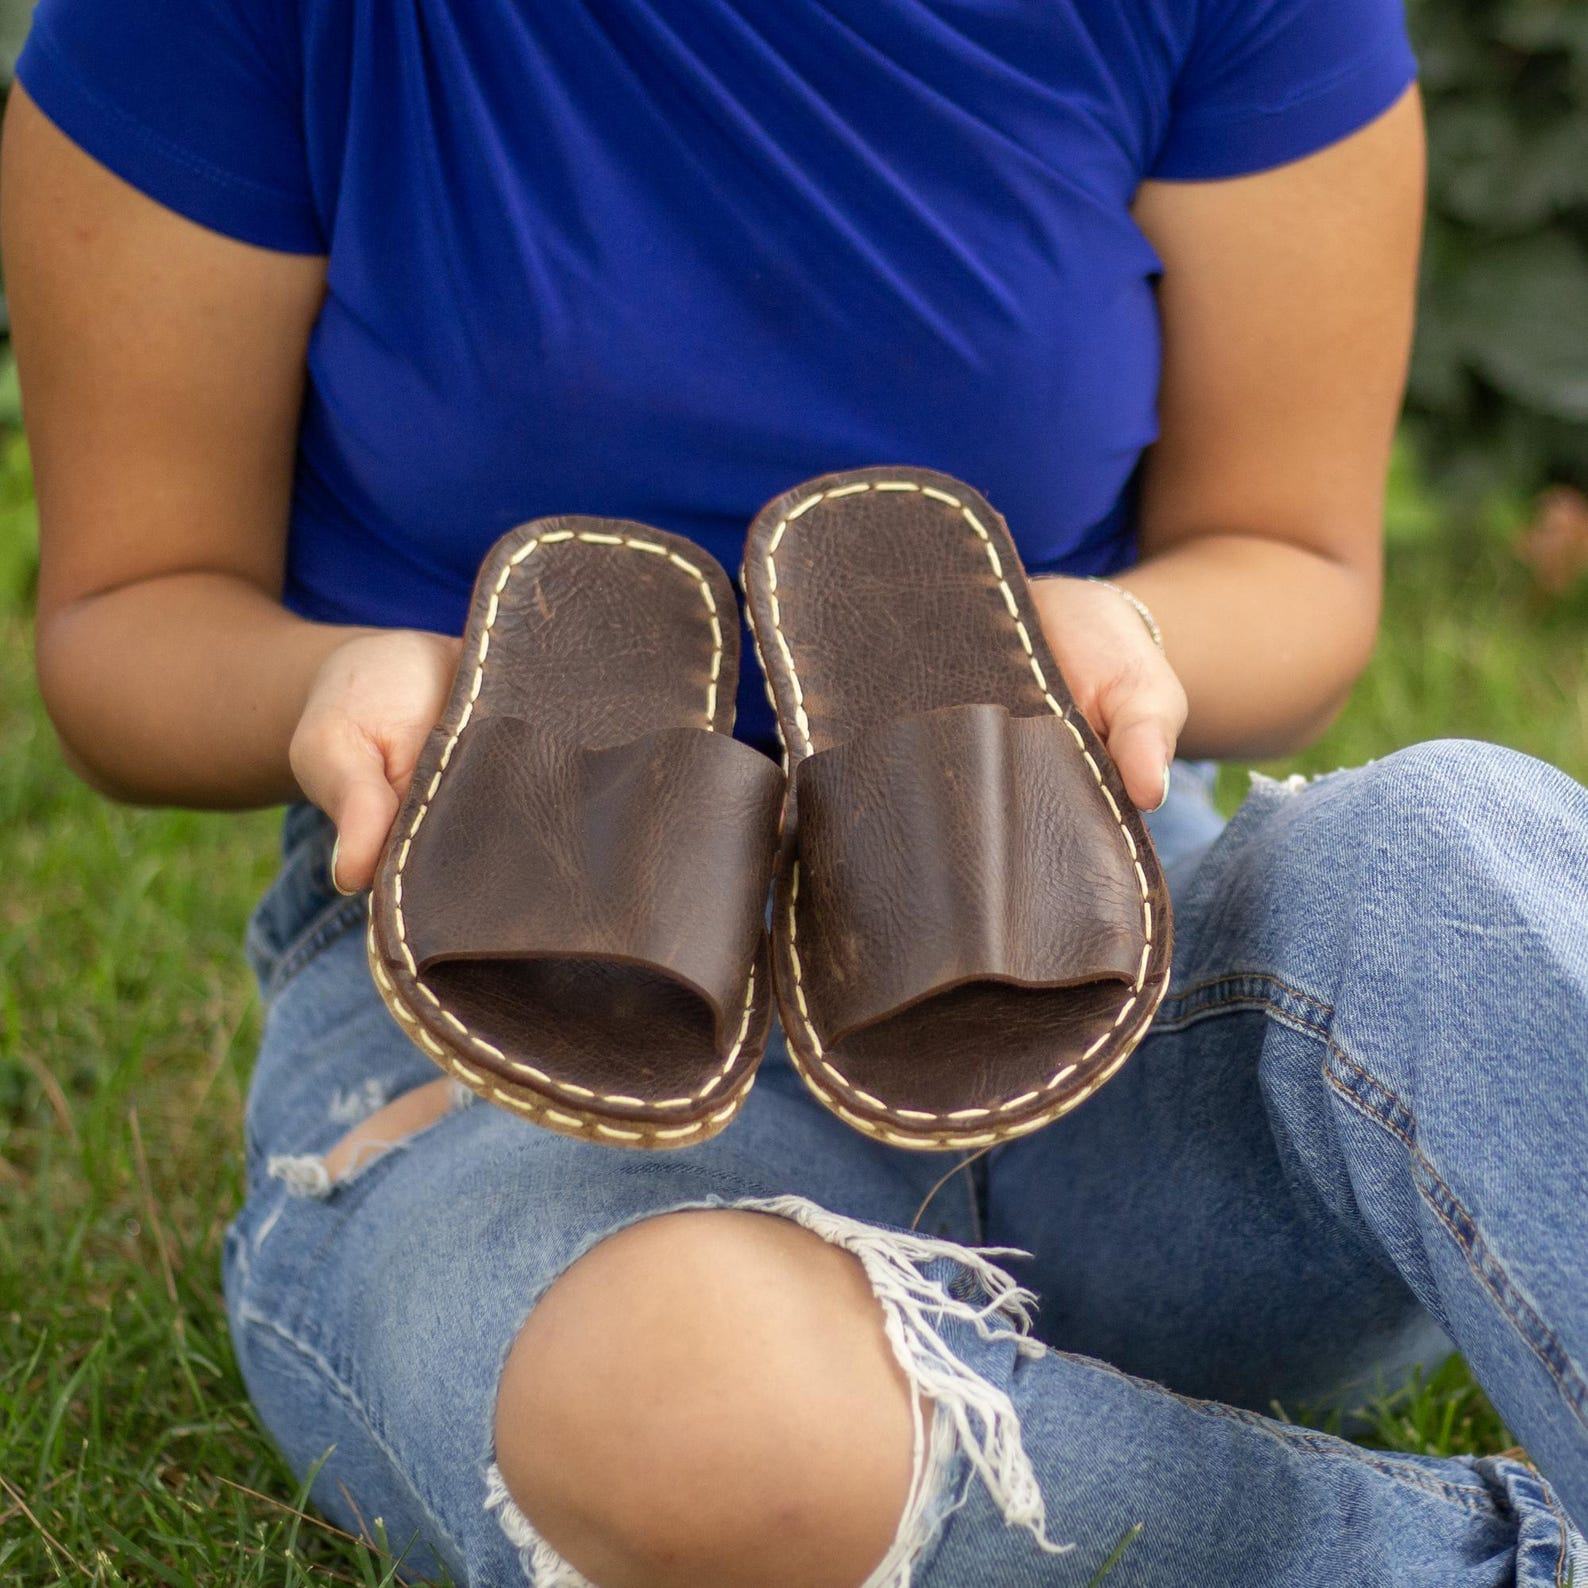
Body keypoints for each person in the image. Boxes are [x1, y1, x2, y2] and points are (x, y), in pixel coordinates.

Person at [4, 1, 1585, 1582]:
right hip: (526, 1025)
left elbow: (1292, 553)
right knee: (697, 1423)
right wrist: (332, 689)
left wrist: (1126, 631)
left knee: (1456, 850)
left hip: (1074, 950)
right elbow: (131, 609)